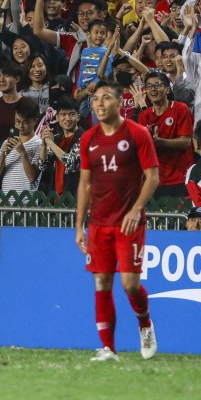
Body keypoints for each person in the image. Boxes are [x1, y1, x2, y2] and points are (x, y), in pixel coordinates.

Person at [75, 81, 160, 362]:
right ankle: (108, 348)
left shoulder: (137, 133)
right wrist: (79, 226)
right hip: (99, 224)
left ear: (120, 101)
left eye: (106, 98)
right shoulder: (88, 138)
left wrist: (136, 209)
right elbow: (85, 184)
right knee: (101, 284)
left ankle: (144, 323)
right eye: (95, 99)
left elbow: (153, 176)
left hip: (128, 223)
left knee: (130, 285)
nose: (99, 104)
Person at [137, 71, 194, 199]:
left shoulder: (181, 109)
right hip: (156, 179)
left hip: (181, 177)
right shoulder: (144, 116)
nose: (153, 89)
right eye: (149, 86)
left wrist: (162, 142)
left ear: (167, 89)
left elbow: (186, 142)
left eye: (157, 85)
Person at [0, 97, 43, 193]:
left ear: (35, 121)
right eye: (17, 121)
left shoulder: (39, 144)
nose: (20, 126)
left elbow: (32, 178)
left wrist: (23, 153)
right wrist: (3, 154)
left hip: (27, 202)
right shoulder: (7, 142)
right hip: (6, 202)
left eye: (25, 122)